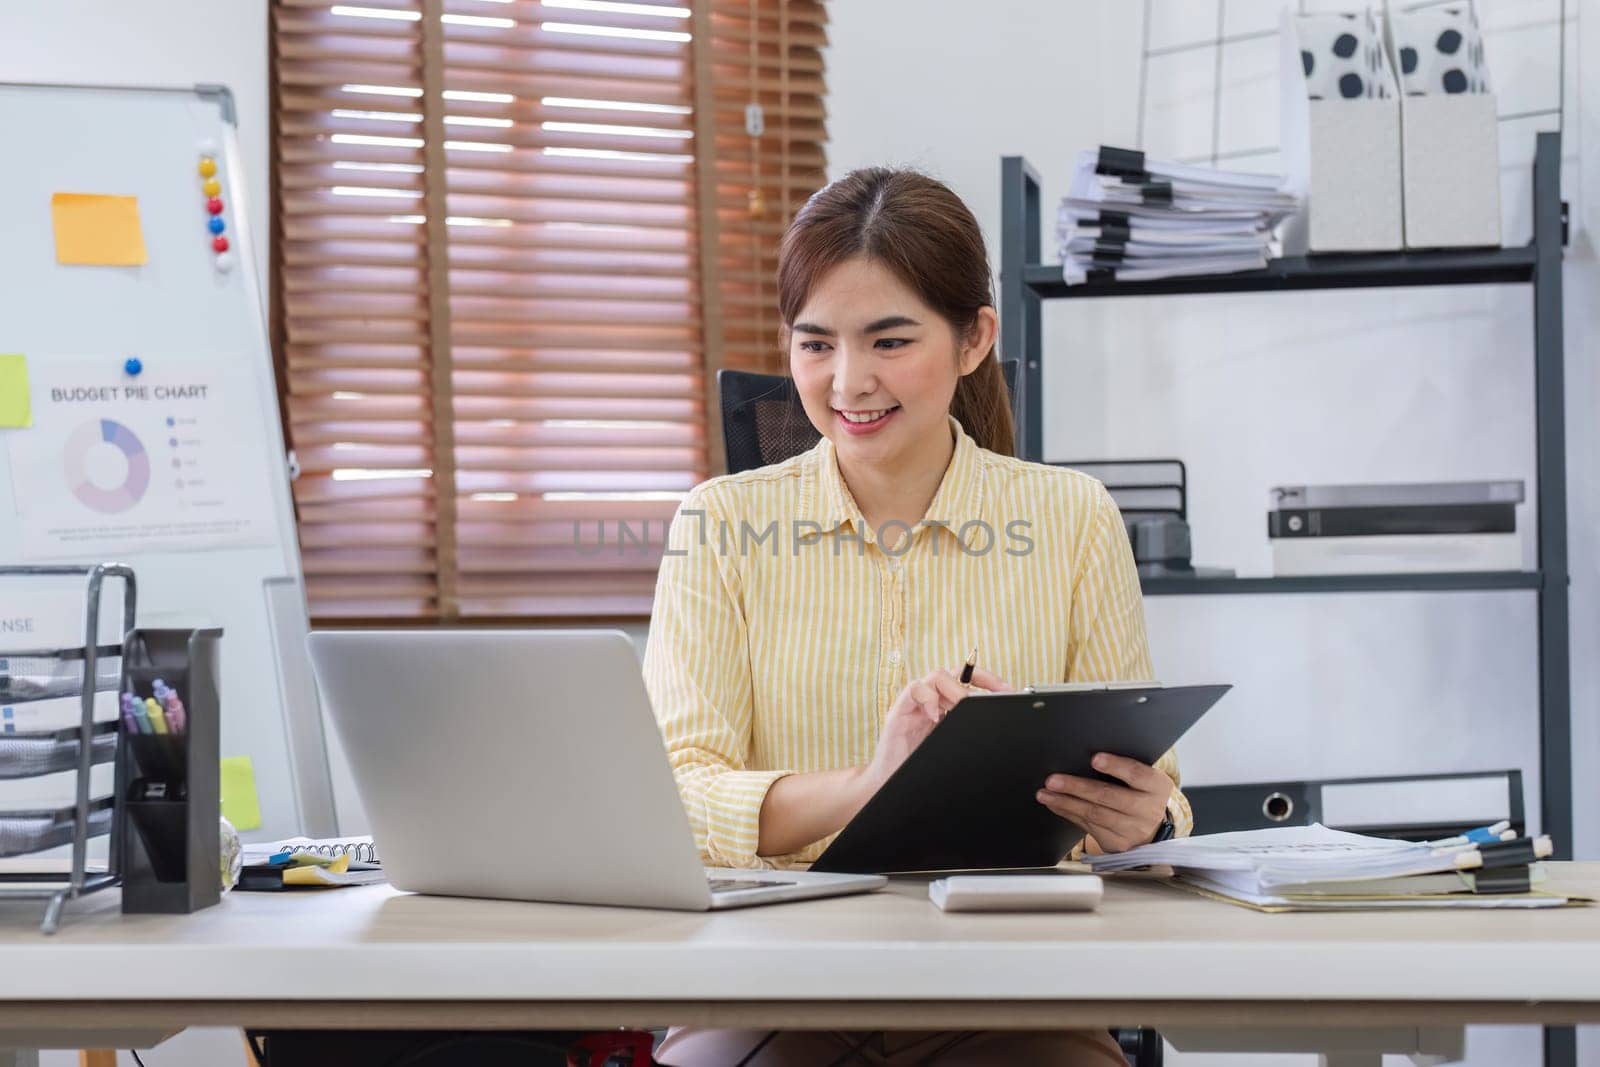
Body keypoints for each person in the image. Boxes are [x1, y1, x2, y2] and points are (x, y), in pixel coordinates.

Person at [642, 167, 1189, 1066]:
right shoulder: (723, 524)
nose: (848, 382)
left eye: (889, 340)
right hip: (775, 985)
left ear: (975, 340)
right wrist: (872, 785)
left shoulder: (1074, 518)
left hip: (1013, 993)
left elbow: (1161, 795)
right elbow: (674, 796)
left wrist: (1145, 823)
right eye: (815, 344)